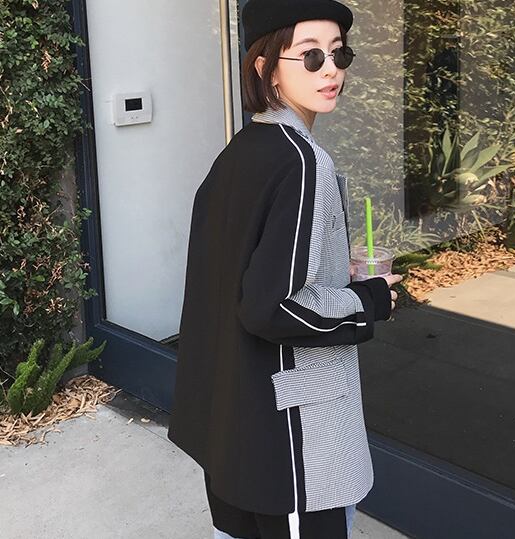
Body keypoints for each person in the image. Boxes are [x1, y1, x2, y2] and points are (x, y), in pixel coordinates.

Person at [167, 0, 402, 537]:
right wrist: (368, 300)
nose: (331, 70)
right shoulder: (301, 162)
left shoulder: (242, 151)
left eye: (340, 54)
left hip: (233, 421)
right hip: (292, 439)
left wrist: (335, 271)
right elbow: (272, 306)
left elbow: (232, 277)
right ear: (266, 66)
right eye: (311, 56)